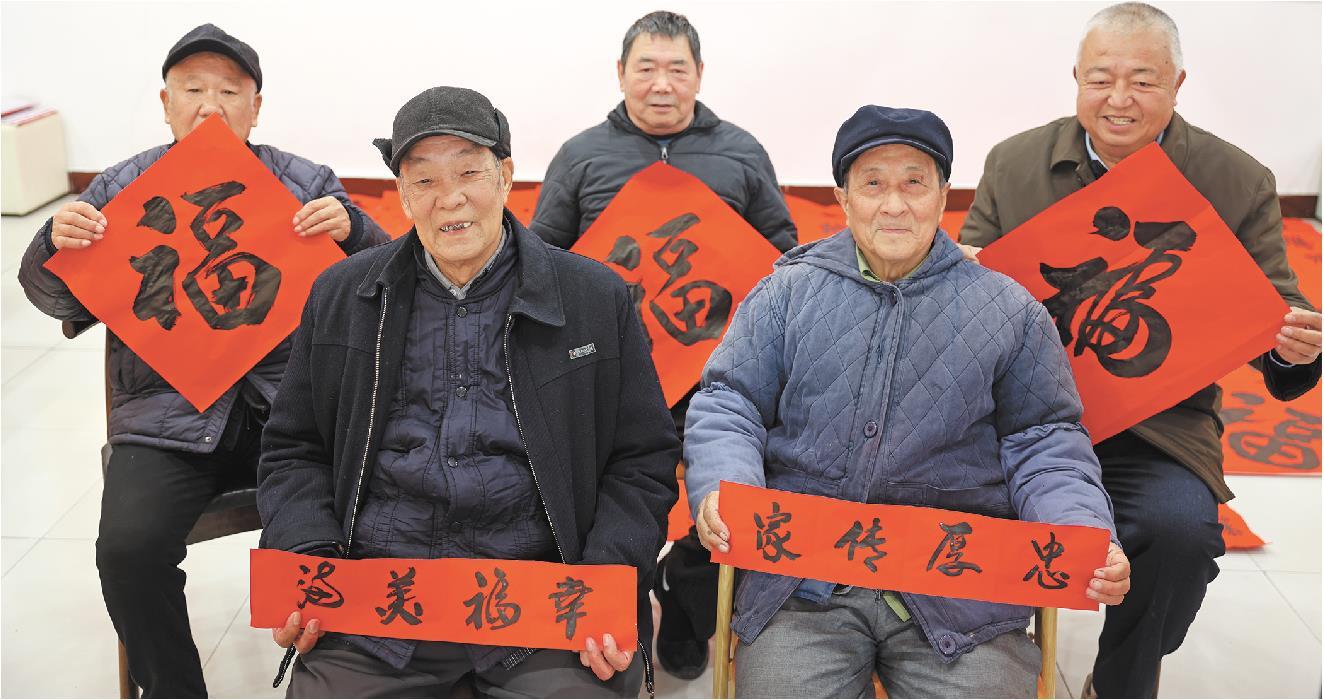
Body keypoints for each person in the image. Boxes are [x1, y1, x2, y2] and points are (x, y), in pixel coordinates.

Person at [685, 105, 1132, 698]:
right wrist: (726, 487)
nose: (894, 205)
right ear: (844, 199)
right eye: (873, 184)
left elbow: (1046, 440)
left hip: (958, 584)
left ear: (944, 196)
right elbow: (729, 402)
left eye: (914, 183)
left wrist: (1082, 530)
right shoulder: (785, 293)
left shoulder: (1009, 309)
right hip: (803, 582)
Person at [257, 86, 681, 698]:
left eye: (468, 173)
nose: (449, 198)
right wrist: (309, 557)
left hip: (542, 599)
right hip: (382, 601)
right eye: (424, 180)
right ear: (402, 194)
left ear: (506, 176)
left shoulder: (593, 296)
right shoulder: (343, 295)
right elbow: (294, 449)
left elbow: (641, 458)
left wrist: (604, 579)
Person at [16, 23, 389, 698]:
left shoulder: (304, 182)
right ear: (166, 104)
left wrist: (355, 231)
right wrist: (52, 244)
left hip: (292, 419)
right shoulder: (121, 188)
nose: (210, 107)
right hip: (166, 421)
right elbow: (55, 300)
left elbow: (386, 287)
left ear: (256, 107)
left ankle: (345, 678)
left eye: (229, 91)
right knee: (127, 550)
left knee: (383, 516)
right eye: (192, 90)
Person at [958, 4, 1322, 696]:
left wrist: (1293, 348)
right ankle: (978, 658)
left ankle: (1122, 678)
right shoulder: (1014, 162)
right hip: (1022, 414)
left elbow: (1273, 314)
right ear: (1076, 78)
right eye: (1101, 80)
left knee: (1180, 532)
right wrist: (964, 276)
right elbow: (970, 291)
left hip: (1158, 419)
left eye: (1143, 81)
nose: (1119, 99)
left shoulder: (1235, 179)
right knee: (950, 505)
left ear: (1178, 84)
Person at [529, 10, 798, 678]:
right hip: (610, 371)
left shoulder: (740, 152)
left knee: (732, 496)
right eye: (645, 68)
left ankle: (686, 599)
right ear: (620, 74)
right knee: (608, 499)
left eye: (677, 69)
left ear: (699, 75)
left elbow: (782, 255)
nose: (661, 84)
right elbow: (540, 259)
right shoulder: (581, 155)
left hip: (718, 375)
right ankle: (618, 609)